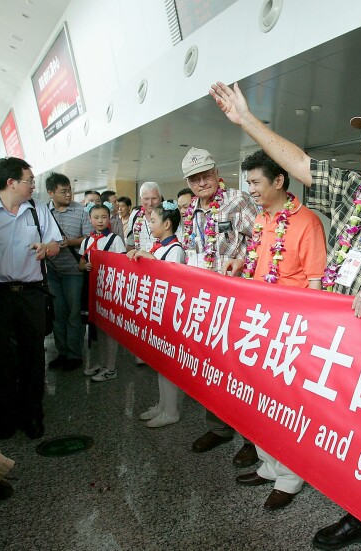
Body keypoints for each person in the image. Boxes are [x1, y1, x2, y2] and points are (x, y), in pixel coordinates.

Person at [211, 82, 361, 551]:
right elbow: (299, 162)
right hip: (345, 347)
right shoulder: (352, 191)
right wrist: (246, 120)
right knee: (357, 437)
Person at [222, 149, 326, 510]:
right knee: (259, 403)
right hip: (259, 325)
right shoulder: (261, 219)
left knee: (285, 407)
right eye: (247, 182)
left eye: (255, 182)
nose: (250, 189)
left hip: (290, 332)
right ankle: (268, 466)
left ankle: (290, 477)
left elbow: (316, 285)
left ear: (279, 181)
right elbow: (259, 266)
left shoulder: (307, 222)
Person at [0, 157, 62, 440]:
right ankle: (5, 416)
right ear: (11, 182)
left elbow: (56, 243)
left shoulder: (37, 210)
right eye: (29, 181)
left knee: (33, 354)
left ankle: (32, 414)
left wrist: (47, 248)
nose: (33, 185)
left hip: (30, 293)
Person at [179, 147, 259, 466]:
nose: (202, 182)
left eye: (206, 175)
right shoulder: (191, 212)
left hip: (238, 302)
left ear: (216, 172)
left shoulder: (238, 200)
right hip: (205, 303)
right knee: (210, 367)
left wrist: (243, 259)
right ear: (189, 181)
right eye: (195, 178)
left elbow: (264, 240)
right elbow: (189, 252)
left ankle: (254, 439)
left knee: (243, 371)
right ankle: (219, 428)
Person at [126, 202, 185, 425]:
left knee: (168, 364)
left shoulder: (175, 249)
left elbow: (172, 280)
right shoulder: (160, 247)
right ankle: (162, 405)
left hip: (169, 314)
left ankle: (171, 411)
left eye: (153, 220)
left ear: (167, 224)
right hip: (158, 312)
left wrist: (150, 260)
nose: (149, 225)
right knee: (160, 362)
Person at [45, 172, 92, 371]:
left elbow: (90, 238)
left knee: (74, 313)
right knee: (58, 313)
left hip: (74, 271)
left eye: (69, 190)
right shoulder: (44, 213)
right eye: (63, 191)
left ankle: (74, 355)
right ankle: (61, 352)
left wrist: (69, 242)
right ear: (50, 193)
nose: (68, 195)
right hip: (52, 271)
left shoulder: (81, 211)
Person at [80, 204, 128, 382]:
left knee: (110, 330)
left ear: (109, 219)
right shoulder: (87, 240)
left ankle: (111, 368)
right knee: (98, 327)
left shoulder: (115, 240)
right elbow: (81, 263)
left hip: (110, 290)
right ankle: (102, 363)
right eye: (96, 217)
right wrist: (85, 266)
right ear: (90, 219)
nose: (100, 221)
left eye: (104, 217)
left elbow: (122, 264)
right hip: (94, 289)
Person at [126, 182, 164, 253]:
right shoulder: (134, 215)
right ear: (141, 199)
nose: (150, 203)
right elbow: (130, 244)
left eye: (154, 198)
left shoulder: (168, 215)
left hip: (161, 262)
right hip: (139, 261)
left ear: (160, 198)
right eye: (146, 199)